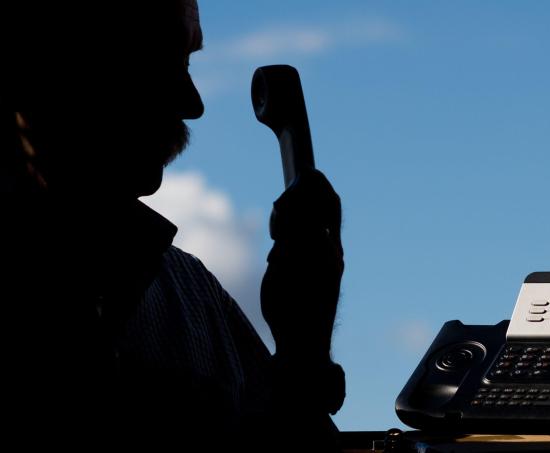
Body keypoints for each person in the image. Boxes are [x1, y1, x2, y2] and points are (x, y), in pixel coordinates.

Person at [1, 0, 345, 448]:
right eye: (155, 62)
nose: (193, 103)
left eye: (185, 62)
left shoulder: (191, 292)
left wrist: (304, 353)